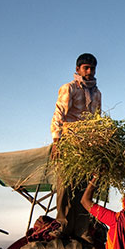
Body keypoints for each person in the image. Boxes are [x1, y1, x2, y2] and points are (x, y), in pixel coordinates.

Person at [51, 53, 102, 239]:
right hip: (69, 143)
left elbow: (97, 121)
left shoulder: (97, 93)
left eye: (92, 68)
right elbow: (59, 114)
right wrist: (57, 141)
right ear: (78, 69)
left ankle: (82, 230)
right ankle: (62, 225)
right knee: (65, 185)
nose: (89, 71)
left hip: (86, 147)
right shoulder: (69, 88)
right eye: (85, 68)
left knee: (84, 188)